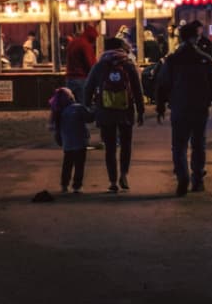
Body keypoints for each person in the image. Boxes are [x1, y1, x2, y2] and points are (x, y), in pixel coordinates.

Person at [156, 21, 212, 197]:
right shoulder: (206, 60)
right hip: (200, 107)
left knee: (179, 145)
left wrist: (160, 106)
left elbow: (163, 84)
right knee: (198, 143)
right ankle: (198, 179)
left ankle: (182, 177)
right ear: (196, 37)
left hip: (179, 106)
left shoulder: (172, 60)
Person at [84, 37, 145, 192]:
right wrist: (141, 110)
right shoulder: (128, 64)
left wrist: (89, 106)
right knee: (126, 144)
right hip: (126, 110)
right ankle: (124, 174)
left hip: (105, 111)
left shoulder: (100, 65)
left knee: (110, 147)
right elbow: (138, 89)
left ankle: (112, 181)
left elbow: (88, 87)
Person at [49, 86, 93, 194]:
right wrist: (95, 108)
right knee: (79, 165)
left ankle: (64, 184)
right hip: (80, 141)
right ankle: (77, 186)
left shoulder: (59, 113)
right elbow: (90, 118)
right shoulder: (78, 108)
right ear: (70, 97)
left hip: (67, 143)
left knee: (67, 163)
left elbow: (56, 129)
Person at [65, 24, 98, 104]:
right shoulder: (86, 45)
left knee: (71, 104)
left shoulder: (72, 42)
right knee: (83, 105)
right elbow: (91, 64)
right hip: (81, 79)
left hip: (69, 79)